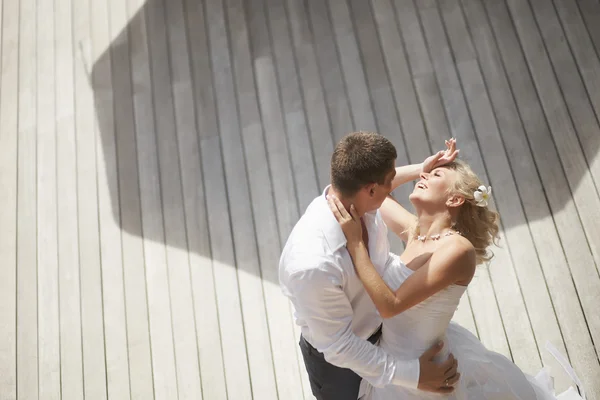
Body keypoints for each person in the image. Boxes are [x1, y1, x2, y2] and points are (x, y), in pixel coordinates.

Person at [327, 157, 585, 399]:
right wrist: (421, 167)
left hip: (425, 374)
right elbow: (375, 191)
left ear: (455, 199)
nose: (425, 176)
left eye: (435, 174)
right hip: (396, 368)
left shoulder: (458, 250)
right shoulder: (417, 234)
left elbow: (390, 305)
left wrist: (355, 243)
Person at [279, 132, 461, 400]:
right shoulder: (312, 265)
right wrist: (415, 376)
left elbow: (380, 187)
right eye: (391, 180)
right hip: (341, 370)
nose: (395, 184)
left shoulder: (361, 203)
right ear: (371, 189)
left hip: (389, 337)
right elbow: (340, 346)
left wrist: (420, 168)